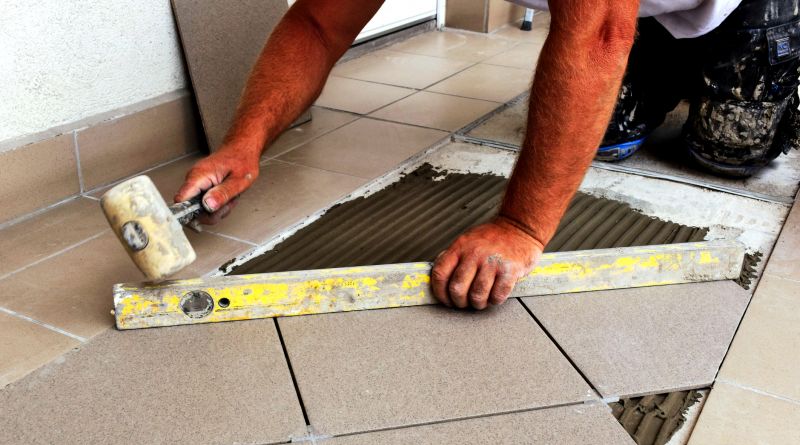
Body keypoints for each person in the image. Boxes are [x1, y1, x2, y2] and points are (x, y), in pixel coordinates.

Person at [174, 0, 797, 310]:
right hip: (638, 18)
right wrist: (245, 142)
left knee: (726, 147)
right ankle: (659, 68)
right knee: (604, 134)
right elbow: (317, 22)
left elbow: (598, 32)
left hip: (739, 11)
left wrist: (522, 227)